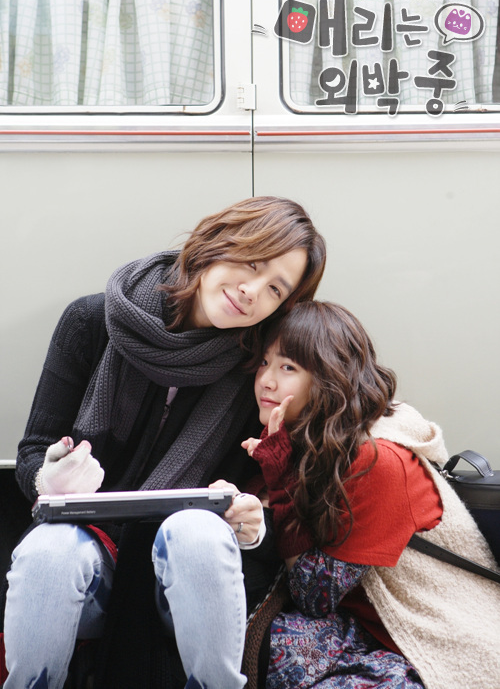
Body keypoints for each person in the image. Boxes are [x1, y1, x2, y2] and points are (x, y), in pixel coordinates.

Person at [1, 196, 327, 689]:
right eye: (252, 262)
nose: (251, 291)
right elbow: (33, 452)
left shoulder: (254, 371)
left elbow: (267, 501)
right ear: (215, 243)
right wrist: (50, 478)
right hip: (87, 566)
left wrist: (252, 526)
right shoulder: (91, 321)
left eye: (275, 289)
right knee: (51, 548)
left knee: (198, 532)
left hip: (183, 579)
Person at [243, 301, 500, 689]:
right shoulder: (315, 441)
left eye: (288, 367)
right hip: (367, 628)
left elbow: (314, 595)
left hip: (436, 640)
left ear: (329, 377)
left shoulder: (377, 461)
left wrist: (279, 478)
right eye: (265, 362)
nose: (266, 380)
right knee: (259, 642)